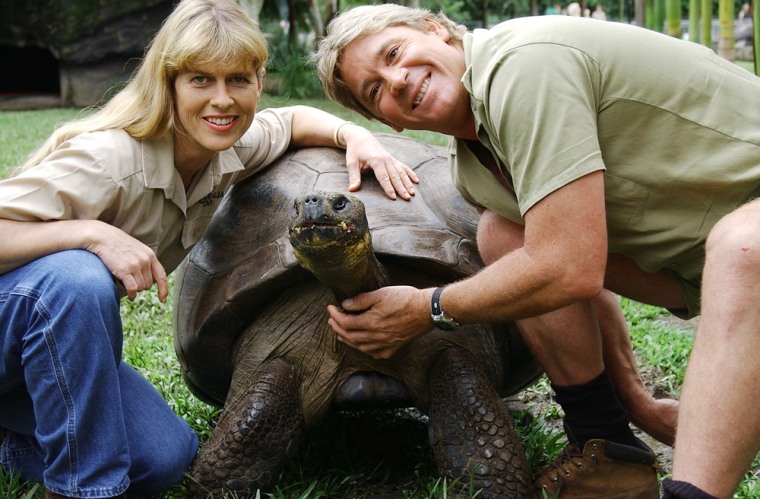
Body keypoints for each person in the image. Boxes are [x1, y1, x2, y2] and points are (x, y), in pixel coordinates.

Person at [316, 4, 760, 497]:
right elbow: (571, 256)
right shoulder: (472, 170)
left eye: (394, 53)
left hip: (745, 234)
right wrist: (639, 404)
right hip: (698, 268)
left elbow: (569, 267)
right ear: (388, 123)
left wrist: (429, 306)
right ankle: (607, 444)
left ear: (436, 30)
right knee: (504, 235)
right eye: (374, 91)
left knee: (744, 245)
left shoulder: (524, 63)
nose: (395, 81)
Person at [0, 1, 417, 498]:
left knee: (163, 458)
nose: (222, 100)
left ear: (258, 83)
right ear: (169, 83)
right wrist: (92, 234)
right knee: (77, 276)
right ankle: (84, 490)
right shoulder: (108, 160)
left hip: (39, 359)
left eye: (238, 79)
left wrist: (356, 136)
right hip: (18, 326)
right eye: (200, 80)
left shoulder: (228, 146)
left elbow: (295, 120)